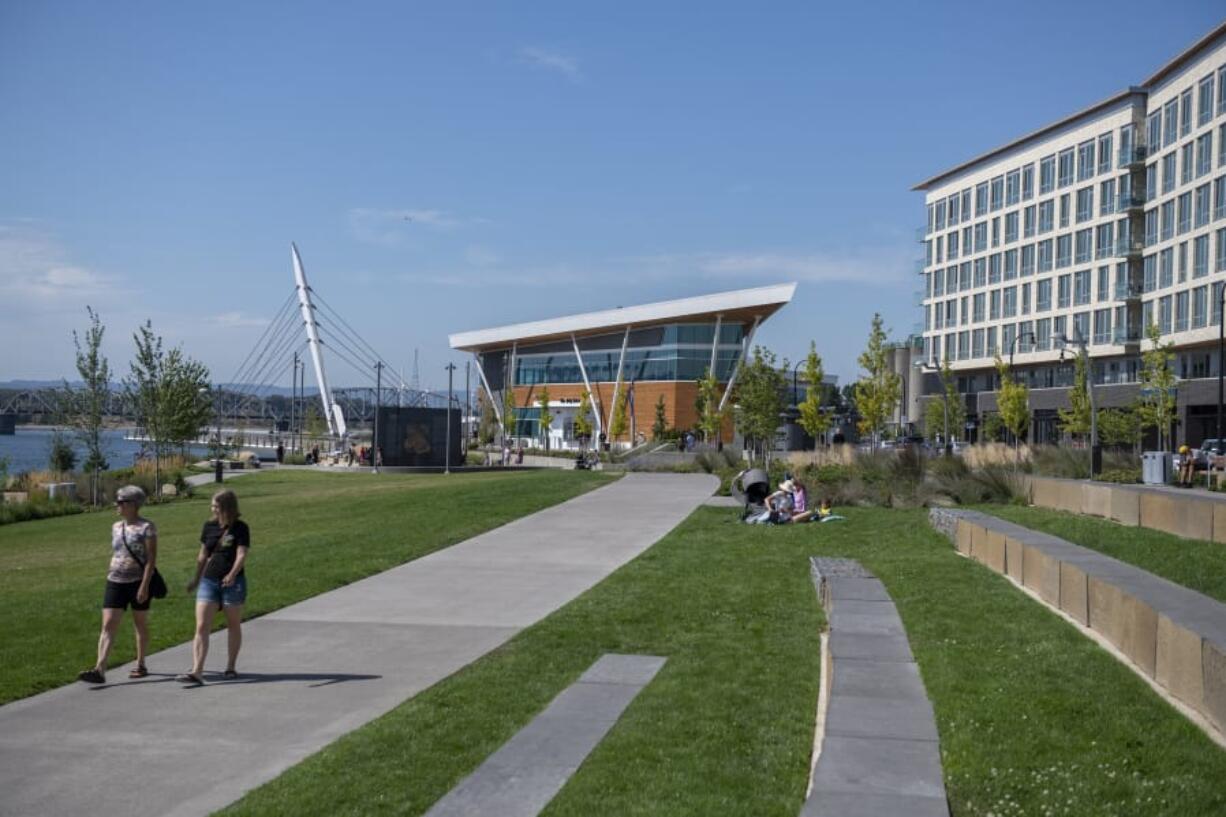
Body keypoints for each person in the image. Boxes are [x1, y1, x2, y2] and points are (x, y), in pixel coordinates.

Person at [78, 485, 158, 684]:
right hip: (115, 580)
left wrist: (145, 585)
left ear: (133, 505)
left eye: (121, 502)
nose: (118, 505)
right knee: (108, 624)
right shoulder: (116, 527)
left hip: (138, 581)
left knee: (139, 623)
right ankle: (100, 669)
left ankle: (141, 663)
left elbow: (151, 559)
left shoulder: (147, 527)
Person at [180, 489, 250, 685]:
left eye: (216, 506)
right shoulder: (209, 526)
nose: (212, 509)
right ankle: (197, 671)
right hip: (209, 581)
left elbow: (242, 554)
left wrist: (232, 574)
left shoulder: (240, 528)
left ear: (227, 507)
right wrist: (196, 579)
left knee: (233, 624)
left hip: (233, 583)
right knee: (202, 625)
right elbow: (202, 555)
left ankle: (230, 666)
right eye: (212, 505)